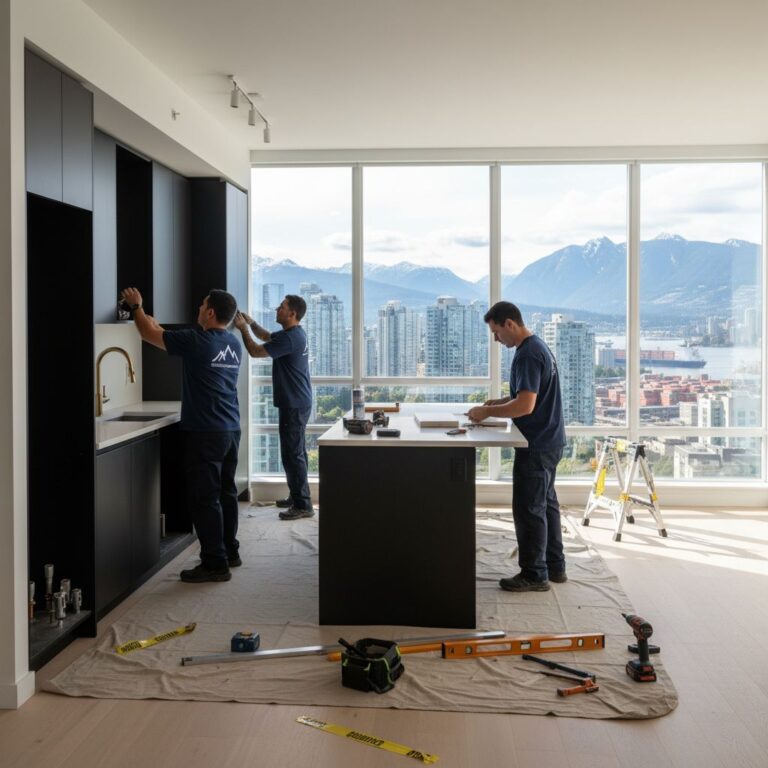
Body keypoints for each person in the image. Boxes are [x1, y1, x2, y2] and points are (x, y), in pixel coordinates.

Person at [120, 286, 242, 584]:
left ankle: (214, 564)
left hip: (205, 431)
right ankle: (229, 552)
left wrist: (136, 306)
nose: (198, 309)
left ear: (210, 312)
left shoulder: (197, 341)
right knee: (226, 493)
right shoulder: (232, 343)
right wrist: (147, 319)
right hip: (230, 428)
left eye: (202, 305)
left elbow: (148, 334)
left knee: (205, 499)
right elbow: (158, 332)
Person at [468, 301, 567, 592]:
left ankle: (534, 574)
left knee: (529, 509)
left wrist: (487, 412)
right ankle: (555, 566)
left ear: (509, 324)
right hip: (551, 439)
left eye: (496, 332)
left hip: (535, 444)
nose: (496, 339)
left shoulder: (527, 355)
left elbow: (525, 405)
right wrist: (499, 403)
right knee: (546, 505)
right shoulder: (539, 347)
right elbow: (529, 394)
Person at [234, 295, 314, 520]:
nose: (277, 309)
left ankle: (303, 505)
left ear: (292, 314)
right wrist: (251, 323)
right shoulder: (293, 334)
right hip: (298, 401)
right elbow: (267, 336)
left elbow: (255, 351)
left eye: (282, 307)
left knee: (293, 455)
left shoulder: (290, 338)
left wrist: (242, 329)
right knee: (296, 453)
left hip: (294, 403)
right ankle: (298, 496)